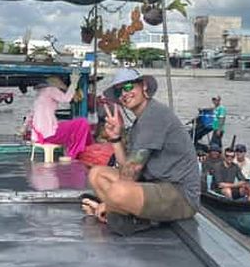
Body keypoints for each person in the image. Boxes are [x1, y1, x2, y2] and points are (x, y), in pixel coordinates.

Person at [81, 69, 199, 235]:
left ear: (143, 86)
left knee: (118, 191)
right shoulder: (139, 123)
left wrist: (108, 203)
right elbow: (126, 168)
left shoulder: (155, 114)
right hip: (154, 186)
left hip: (180, 195)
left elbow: (130, 173)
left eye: (129, 86)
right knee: (96, 174)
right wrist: (115, 138)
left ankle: (125, 216)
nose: (124, 93)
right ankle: (128, 216)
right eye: (119, 90)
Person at [30, 71, 93, 159]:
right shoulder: (50, 89)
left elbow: (30, 115)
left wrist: (23, 129)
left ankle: (77, 148)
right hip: (49, 135)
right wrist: (74, 83)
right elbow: (66, 99)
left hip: (38, 136)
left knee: (70, 126)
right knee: (82, 122)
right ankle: (75, 153)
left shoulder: (39, 95)